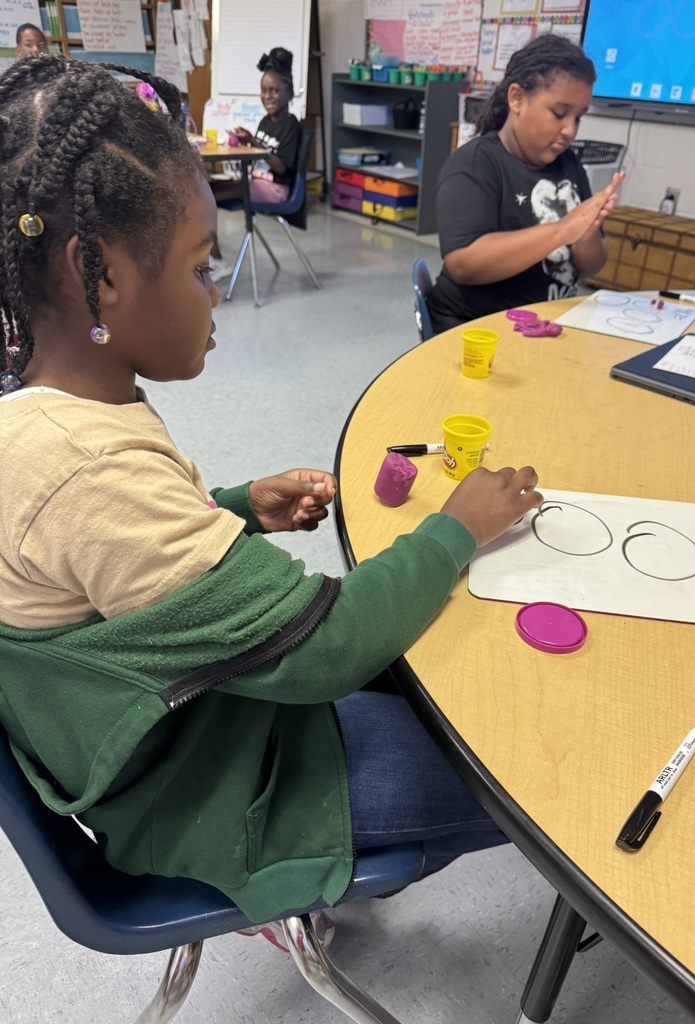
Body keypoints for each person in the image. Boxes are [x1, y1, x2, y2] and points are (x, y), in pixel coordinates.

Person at [0, 55, 544, 931]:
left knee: (446, 674)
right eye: (199, 267)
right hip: (214, 791)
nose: (216, 296)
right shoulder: (81, 467)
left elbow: (113, 571)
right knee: (526, 774)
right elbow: (326, 649)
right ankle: (294, 876)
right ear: (94, 273)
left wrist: (234, 505)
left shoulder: (50, 413)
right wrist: (457, 528)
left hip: (193, 724)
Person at [428, 34, 625, 334]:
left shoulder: (569, 164)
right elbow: (464, 264)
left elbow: (591, 266)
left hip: (546, 325)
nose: (570, 130)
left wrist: (586, 231)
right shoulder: (476, 164)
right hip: (477, 330)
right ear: (517, 98)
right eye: (559, 113)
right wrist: (561, 230)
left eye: (578, 117)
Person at [208, 47, 300, 282]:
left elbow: (281, 168)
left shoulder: (292, 126)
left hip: (277, 189)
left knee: (205, 199)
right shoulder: (265, 122)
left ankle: (217, 261)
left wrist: (256, 144)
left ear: (289, 94)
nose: (267, 96)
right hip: (257, 182)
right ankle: (212, 257)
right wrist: (244, 142)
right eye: (263, 90)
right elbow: (258, 154)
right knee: (204, 190)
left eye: (274, 91)